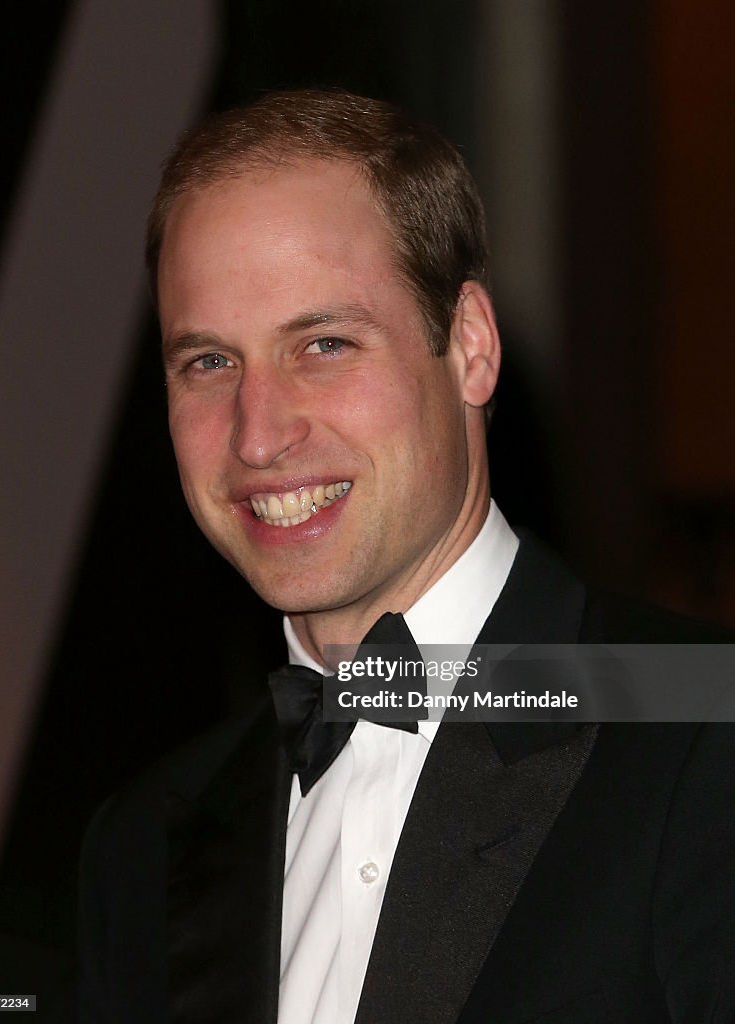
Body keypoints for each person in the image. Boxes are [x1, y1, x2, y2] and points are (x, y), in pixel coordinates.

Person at [78, 90, 735, 1023]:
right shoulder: (140, 847)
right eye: (210, 364)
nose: (258, 436)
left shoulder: (704, 738)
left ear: (469, 346)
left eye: (326, 343)